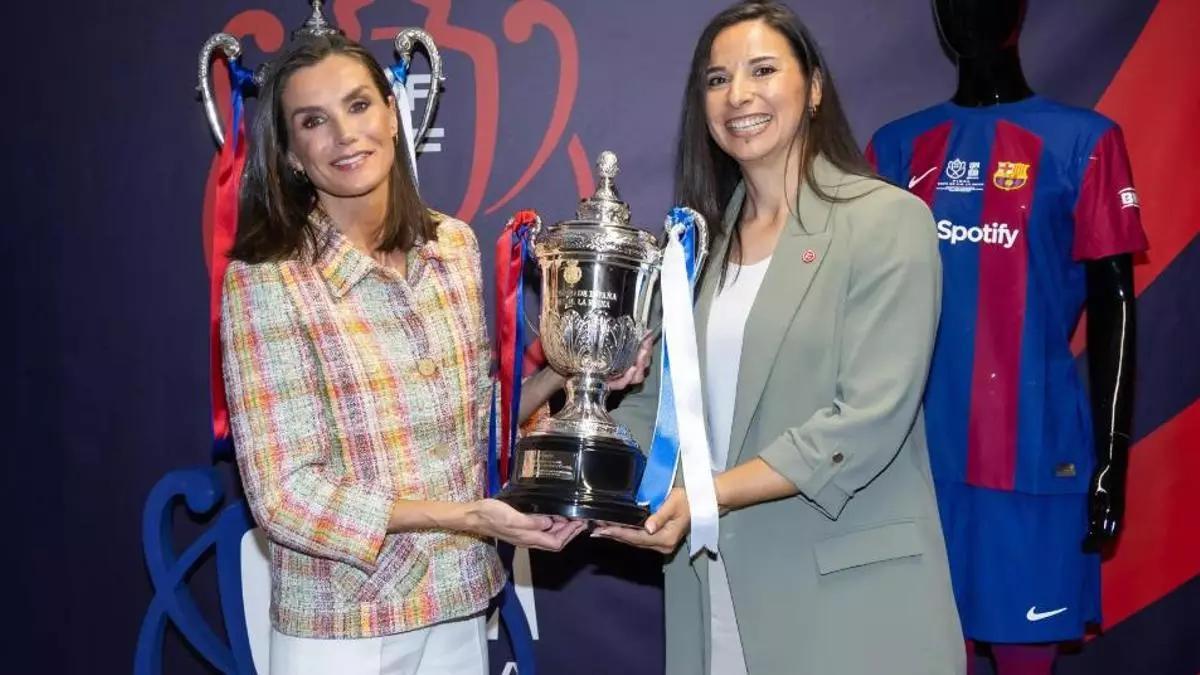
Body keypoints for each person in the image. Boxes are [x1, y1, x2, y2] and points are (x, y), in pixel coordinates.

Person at [593, 2, 964, 673]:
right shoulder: (691, 250)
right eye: (717, 79)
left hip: (849, 605)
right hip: (713, 598)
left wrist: (706, 495)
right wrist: (582, 471)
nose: (739, 95)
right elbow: (655, 407)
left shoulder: (887, 223)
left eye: (763, 70)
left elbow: (865, 422)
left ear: (814, 86)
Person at [219, 34, 588, 675]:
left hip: (458, 601)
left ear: (393, 113)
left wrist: (569, 369)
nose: (344, 134)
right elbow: (284, 495)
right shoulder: (267, 280)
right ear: (291, 154)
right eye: (314, 121)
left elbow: (481, 419)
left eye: (359, 105)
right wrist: (465, 514)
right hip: (343, 623)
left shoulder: (452, 245)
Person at [867, 1, 1147, 673]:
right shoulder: (896, 148)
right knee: (929, 656)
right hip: (913, 467)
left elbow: (1116, 305)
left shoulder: (1086, 142)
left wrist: (1114, 455)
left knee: (1026, 660)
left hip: (1032, 459)